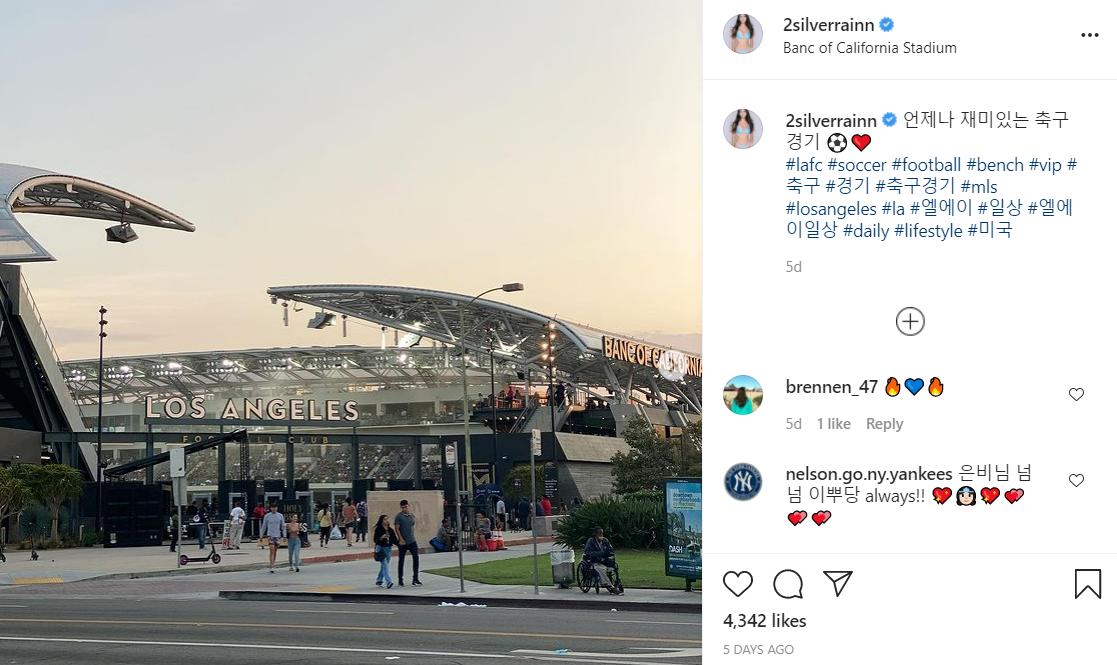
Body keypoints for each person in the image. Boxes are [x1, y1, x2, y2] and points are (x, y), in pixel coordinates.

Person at [584, 527, 622, 595]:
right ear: (595, 534)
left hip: (605, 561)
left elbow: (611, 550)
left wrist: (608, 553)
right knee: (600, 569)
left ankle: (615, 583)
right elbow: (587, 552)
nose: (601, 534)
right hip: (595, 561)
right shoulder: (591, 541)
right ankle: (610, 586)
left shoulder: (605, 540)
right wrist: (599, 553)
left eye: (602, 533)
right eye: (599, 533)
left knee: (613, 567)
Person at [393, 499, 421, 586]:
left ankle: (415, 578)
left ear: (408, 506)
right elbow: (397, 528)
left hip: (412, 540)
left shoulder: (412, 515)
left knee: (416, 558)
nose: (404, 509)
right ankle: (400, 579)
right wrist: (400, 539)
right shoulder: (399, 516)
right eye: (402, 507)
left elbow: (412, 525)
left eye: (405, 507)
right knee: (401, 560)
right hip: (403, 542)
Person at [373, 514, 397, 588]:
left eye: (387, 519)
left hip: (388, 548)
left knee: (384, 565)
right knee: (385, 565)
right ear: (381, 521)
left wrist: (400, 544)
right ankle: (388, 581)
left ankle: (379, 580)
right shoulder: (378, 529)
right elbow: (375, 539)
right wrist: (381, 537)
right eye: (384, 519)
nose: (386, 520)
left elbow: (394, 539)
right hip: (380, 548)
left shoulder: (390, 530)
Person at [261, 504, 286, 573]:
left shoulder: (280, 516)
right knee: (271, 550)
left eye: (275, 507)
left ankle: (273, 564)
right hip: (270, 535)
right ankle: (271, 566)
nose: (274, 509)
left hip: (277, 535)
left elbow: (283, 526)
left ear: (277, 508)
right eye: (272, 507)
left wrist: (284, 535)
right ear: (270, 508)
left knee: (275, 551)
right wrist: (261, 535)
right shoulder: (267, 516)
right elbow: (264, 526)